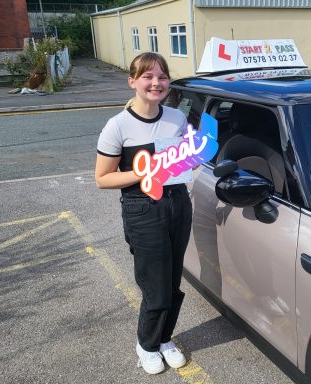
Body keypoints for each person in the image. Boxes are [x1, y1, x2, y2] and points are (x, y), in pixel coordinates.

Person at [94, 52, 191, 375]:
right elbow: (103, 178)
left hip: (177, 202)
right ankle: (147, 345)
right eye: (148, 76)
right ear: (133, 81)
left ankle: (164, 338)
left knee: (174, 278)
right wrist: (146, 171)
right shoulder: (118, 125)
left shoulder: (176, 118)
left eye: (162, 76)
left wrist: (189, 157)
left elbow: (182, 162)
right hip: (142, 208)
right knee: (155, 283)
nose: (156, 83)